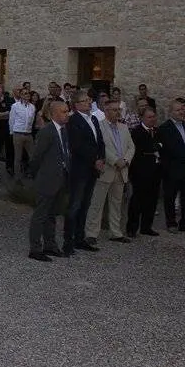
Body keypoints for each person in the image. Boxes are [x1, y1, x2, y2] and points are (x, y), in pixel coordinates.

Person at [28, 101, 71, 261]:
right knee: (40, 215)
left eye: (67, 111)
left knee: (52, 214)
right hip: (47, 180)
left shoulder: (64, 130)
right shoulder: (47, 131)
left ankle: (50, 244)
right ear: (54, 114)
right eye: (64, 112)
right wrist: (38, 175)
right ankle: (35, 248)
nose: (67, 114)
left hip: (60, 180)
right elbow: (37, 156)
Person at [85, 100, 134, 243]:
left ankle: (116, 232)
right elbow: (101, 147)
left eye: (118, 109)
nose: (117, 112)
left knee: (116, 203)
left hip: (121, 171)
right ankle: (91, 233)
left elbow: (131, 147)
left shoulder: (124, 128)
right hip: (106, 170)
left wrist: (125, 160)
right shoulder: (99, 127)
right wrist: (114, 160)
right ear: (106, 111)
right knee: (97, 203)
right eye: (114, 110)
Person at [63, 93, 106, 253]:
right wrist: (94, 158)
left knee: (85, 204)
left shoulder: (93, 119)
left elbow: (99, 140)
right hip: (80, 168)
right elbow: (77, 145)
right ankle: (68, 240)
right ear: (76, 104)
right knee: (75, 204)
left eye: (89, 100)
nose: (89, 103)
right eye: (85, 101)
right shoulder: (73, 121)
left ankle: (80, 238)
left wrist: (101, 157)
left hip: (92, 168)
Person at [159, 98, 185, 233]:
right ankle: (171, 223)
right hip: (173, 169)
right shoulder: (165, 128)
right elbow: (169, 148)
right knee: (170, 197)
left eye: (183, 109)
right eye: (178, 110)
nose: (181, 112)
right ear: (171, 112)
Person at [127, 106, 163, 237]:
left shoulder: (157, 131)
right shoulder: (137, 132)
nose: (152, 119)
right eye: (149, 117)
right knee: (137, 200)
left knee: (152, 200)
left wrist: (157, 147)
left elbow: (160, 147)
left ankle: (146, 226)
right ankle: (132, 228)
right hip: (141, 172)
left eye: (154, 116)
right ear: (142, 118)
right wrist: (157, 146)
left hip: (155, 171)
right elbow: (145, 149)